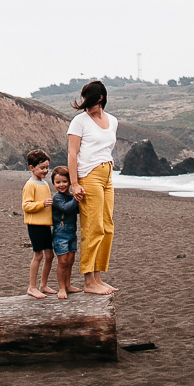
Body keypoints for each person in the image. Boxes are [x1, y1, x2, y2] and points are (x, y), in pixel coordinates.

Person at [67, 79, 119, 295]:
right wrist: (75, 183)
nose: (84, 103)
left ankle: (98, 277)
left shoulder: (113, 121)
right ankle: (89, 281)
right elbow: (72, 153)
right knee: (92, 228)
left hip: (107, 174)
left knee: (107, 227)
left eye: (88, 98)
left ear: (100, 98)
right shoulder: (79, 121)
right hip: (89, 176)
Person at [22, 149, 55, 298]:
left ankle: (43, 284)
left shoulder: (45, 184)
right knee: (38, 256)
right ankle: (32, 287)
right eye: (42, 168)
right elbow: (26, 206)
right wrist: (41, 204)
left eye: (47, 168)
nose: (45, 171)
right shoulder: (30, 185)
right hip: (35, 224)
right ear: (32, 168)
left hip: (46, 225)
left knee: (50, 255)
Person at [50, 166, 81, 299]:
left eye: (64, 181)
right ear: (53, 184)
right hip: (60, 232)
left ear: (69, 182)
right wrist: (77, 198)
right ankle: (61, 287)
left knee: (70, 260)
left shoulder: (70, 196)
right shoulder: (57, 198)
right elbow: (66, 208)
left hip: (72, 232)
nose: (61, 185)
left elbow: (77, 210)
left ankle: (68, 285)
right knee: (62, 261)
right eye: (58, 182)